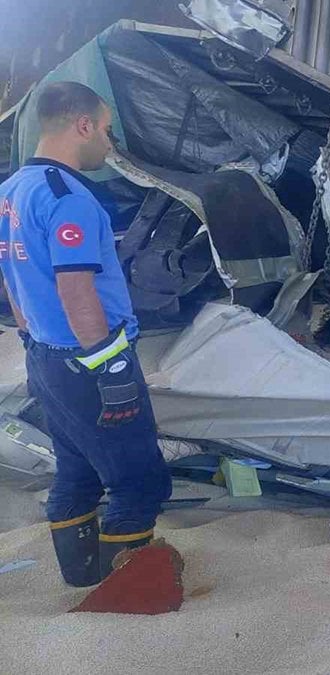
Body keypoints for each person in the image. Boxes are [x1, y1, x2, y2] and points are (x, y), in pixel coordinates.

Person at [0, 82, 172, 587]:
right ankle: (128, 596)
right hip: (91, 361)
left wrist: (34, 339)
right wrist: (110, 364)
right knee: (137, 484)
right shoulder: (68, 197)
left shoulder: (9, 192)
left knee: (76, 471)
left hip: (47, 359)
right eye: (106, 130)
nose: (108, 143)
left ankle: (84, 579)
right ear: (82, 126)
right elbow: (76, 291)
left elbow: (11, 277)